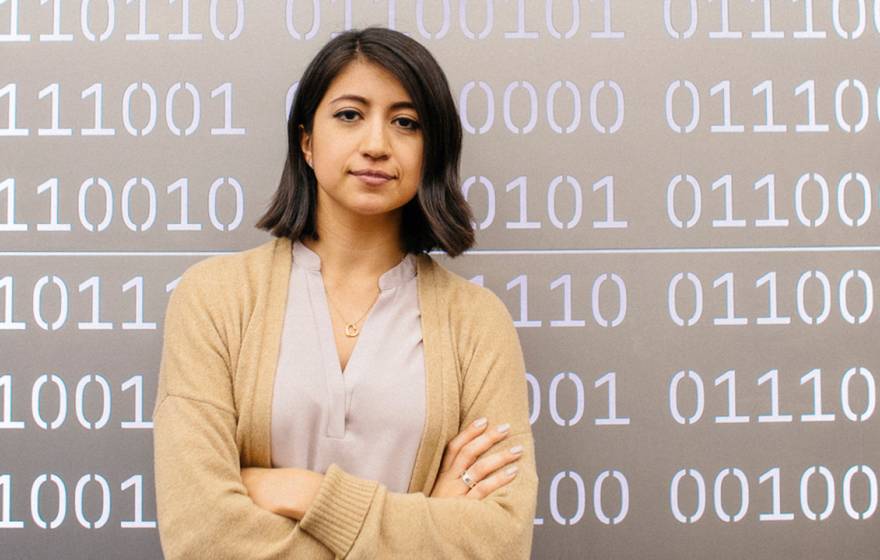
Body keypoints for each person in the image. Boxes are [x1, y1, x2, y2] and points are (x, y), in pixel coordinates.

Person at [153, 26, 538, 559]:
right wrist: (427, 526)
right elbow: (201, 535)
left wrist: (305, 493)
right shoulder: (215, 299)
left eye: (405, 123)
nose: (376, 145)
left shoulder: (476, 322)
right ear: (307, 140)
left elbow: (497, 543)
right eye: (350, 115)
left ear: (432, 150)